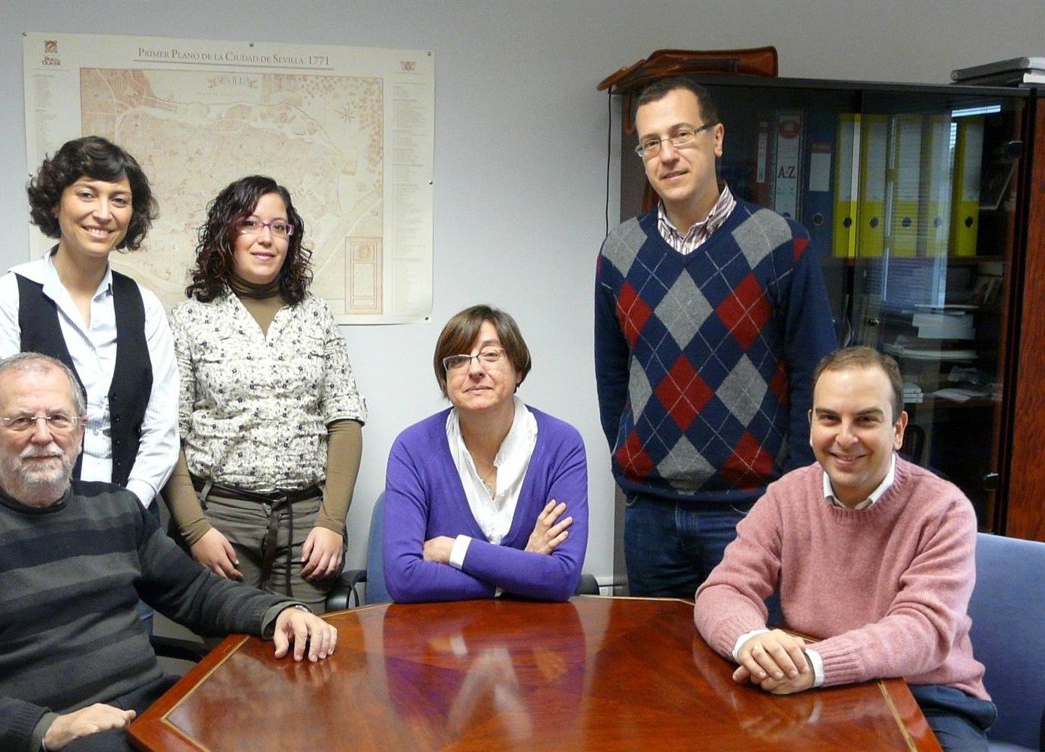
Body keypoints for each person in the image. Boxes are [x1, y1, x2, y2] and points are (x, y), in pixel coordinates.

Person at [0, 353, 336, 752]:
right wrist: (47, 728)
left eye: (58, 419)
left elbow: (196, 593)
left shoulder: (115, 508)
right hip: (53, 735)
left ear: (80, 432)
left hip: (150, 716)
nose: (42, 436)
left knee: (288, 726)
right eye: (21, 421)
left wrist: (276, 613)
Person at [594, 76, 837, 598]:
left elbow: (816, 377)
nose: (667, 155)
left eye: (682, 134)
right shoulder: (619, 252)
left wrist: (793, 491)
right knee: (654, 651)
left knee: (750, 648)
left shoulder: (781, 244)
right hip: (650, 515)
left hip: (750, 511)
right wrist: (626, 460)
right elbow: (612, 374)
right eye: (651, 143)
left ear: (717, 138)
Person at [694, 346, 995, 751]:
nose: (845, 437)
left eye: (866, 419)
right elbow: (724, 588)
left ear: (898, 429)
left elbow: (923, 630)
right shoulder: (786, 496)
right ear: (811, 424)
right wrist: (750, 640)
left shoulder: (944, 510)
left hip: (926, 696)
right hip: (810, 687)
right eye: (829, 418)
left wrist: (817, 663)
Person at [165, 175, 365, 613]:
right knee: (232, 647)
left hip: (307, 525)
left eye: (279, 227)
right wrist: (195, 529)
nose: (266, 238)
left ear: (291, 238)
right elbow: (167, 433)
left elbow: (345, 419)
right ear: (227, 234)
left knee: (306, 644)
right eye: (250, 224)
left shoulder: (315, 315)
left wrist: (332, 522)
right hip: (222, 520)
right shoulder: (188, 320)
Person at [0, 135, 179, 511]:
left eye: (119, 200)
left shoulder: (145, 306)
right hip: (32, 517)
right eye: (86, 194)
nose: (103, 213)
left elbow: (162, 429)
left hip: (131, 514)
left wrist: (128, 507)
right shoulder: (6, 297)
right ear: (55, 202)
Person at [383, 305, 589, 602]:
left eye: (491, 355)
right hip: (441, 629)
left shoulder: (562, 444)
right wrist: (521, 570)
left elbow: (562, 577)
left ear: (518, 368)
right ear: (445, 378)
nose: (475, 370)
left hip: (537, 631)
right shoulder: (412, 448)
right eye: (458, 360)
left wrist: (453, 549)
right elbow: (403, 578)